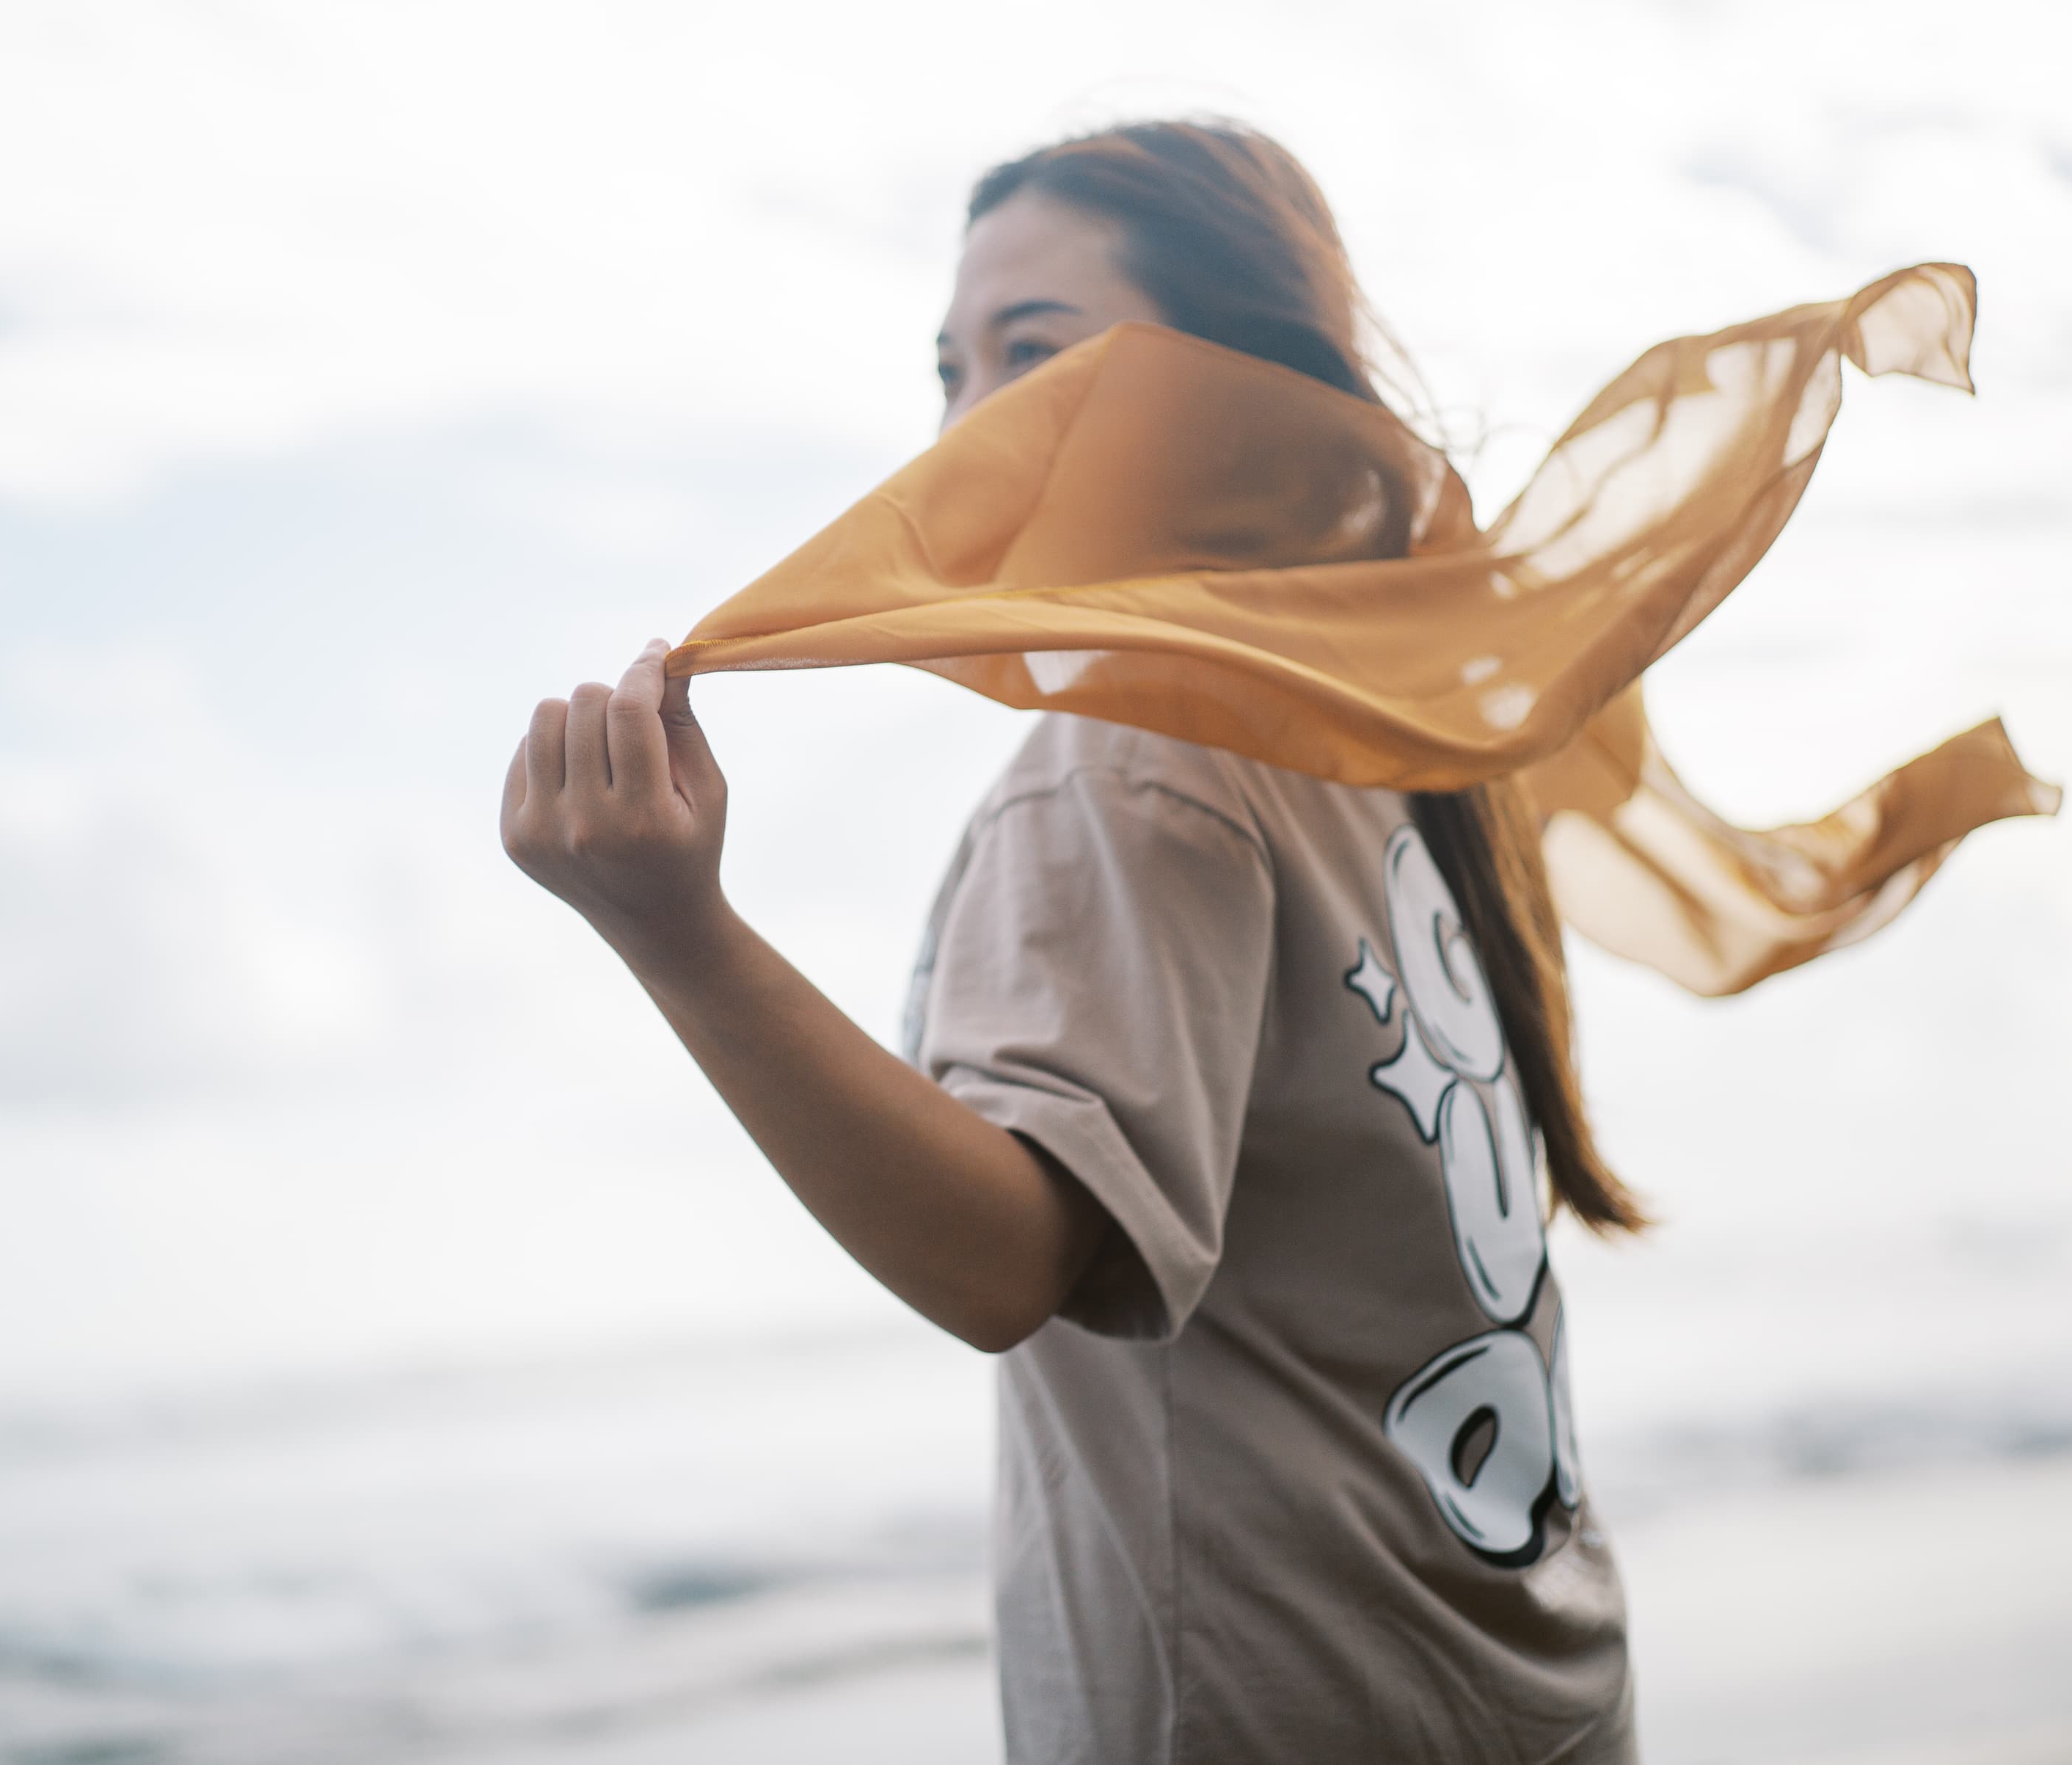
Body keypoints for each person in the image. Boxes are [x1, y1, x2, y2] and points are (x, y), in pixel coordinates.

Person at [500, 121, 1648, 1762]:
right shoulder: (1381, 745)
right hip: (1535, 1693)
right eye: (953, 369)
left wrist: (678, 937)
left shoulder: (1140, 762)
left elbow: (1010, 1260)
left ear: (1230, 386)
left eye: (1032, 352)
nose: (973, 422)